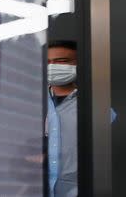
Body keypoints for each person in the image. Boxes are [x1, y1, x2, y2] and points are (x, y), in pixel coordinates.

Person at [46, 40, 79, 197]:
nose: (52, 67)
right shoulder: (30, 104)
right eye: (48, 62)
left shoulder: (96, 107)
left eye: (61, 61)